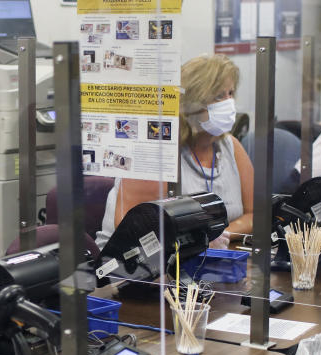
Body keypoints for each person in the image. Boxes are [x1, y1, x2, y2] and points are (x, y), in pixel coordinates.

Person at [97, 54, 254, 247]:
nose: (229, 103)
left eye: (230, 93)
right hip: (133, 268)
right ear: (191, 103)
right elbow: (136, 233)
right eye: (219, 96)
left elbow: (254, 215)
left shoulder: (231, 147)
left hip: (203, 260)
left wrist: (220, 234)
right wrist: (202, 241)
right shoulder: (155, 152)